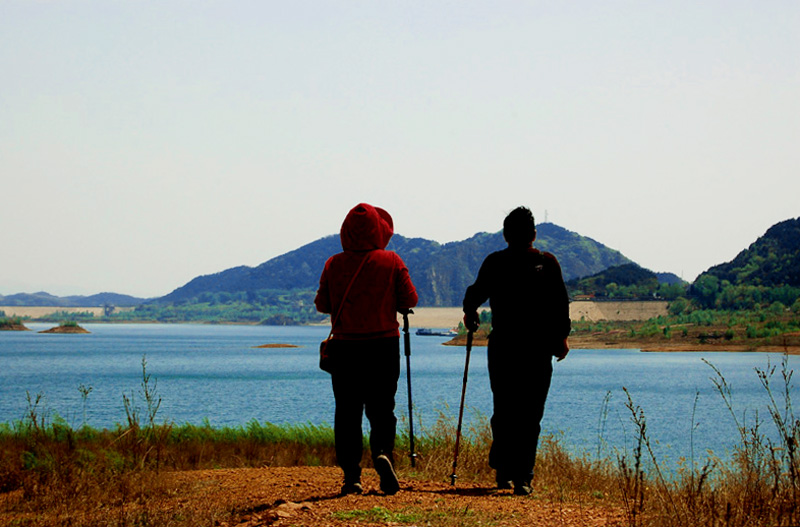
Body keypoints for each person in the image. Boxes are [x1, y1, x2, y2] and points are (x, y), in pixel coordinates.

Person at [462, 206, 571, 496]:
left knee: (505, 408)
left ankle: (504, 469)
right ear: (534, 234)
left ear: (505, 235)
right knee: (531, 413)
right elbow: (561, 305)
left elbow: (474, 294)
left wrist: (470, 313)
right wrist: (561, 338)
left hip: (503, 348)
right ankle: (523, 476)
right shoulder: (548, 263)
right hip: (537, 349)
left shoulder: (495, 262)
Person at [315, 203, 418, 496]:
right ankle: (384, 453)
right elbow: (410, 297)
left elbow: (323, 304)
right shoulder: (392, 261)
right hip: (383, 346)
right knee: (383, 408)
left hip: (345, 349)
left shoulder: (333, 264)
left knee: (347, 412)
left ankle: (351, 477)